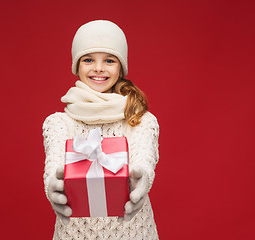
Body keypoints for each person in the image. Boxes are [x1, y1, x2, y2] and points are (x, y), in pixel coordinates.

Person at [42, 20, 160, 239]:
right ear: (77, 66)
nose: (98, 68)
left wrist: (142, 178)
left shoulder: (141, 120)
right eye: (88, 59)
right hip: (75, 235)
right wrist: (53, 186)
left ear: (121, 67)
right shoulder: (58, 123)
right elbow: (54, 166)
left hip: (134, 233)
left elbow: (144, 160)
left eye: (109, 60)